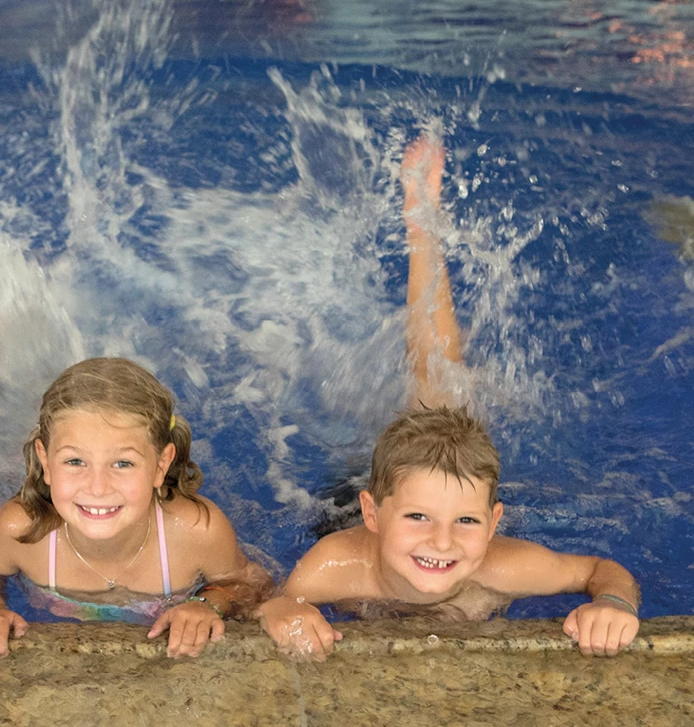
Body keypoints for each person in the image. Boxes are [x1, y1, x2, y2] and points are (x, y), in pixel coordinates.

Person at [254, 133, 641, 660]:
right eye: (418, 519)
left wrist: (614, 602)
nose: (442, 542)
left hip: (419, 488)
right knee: (438, 395)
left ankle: (424, 223)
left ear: (495, 522)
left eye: (467, 523)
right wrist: (282, 608)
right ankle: (421, 225)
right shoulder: (336, 565)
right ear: (373, 514)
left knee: (441, 401)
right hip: (345, 498)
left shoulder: (504, 565)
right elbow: (270, 602)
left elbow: (601, 571)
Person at [0, 357, 273, 659]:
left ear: (161, 464)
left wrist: (205, 605)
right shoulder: (21, 531)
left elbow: (251, 587)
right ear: (45, 462)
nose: (98, 487)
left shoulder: (195, 531)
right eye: (75, 461)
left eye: (122, 463)